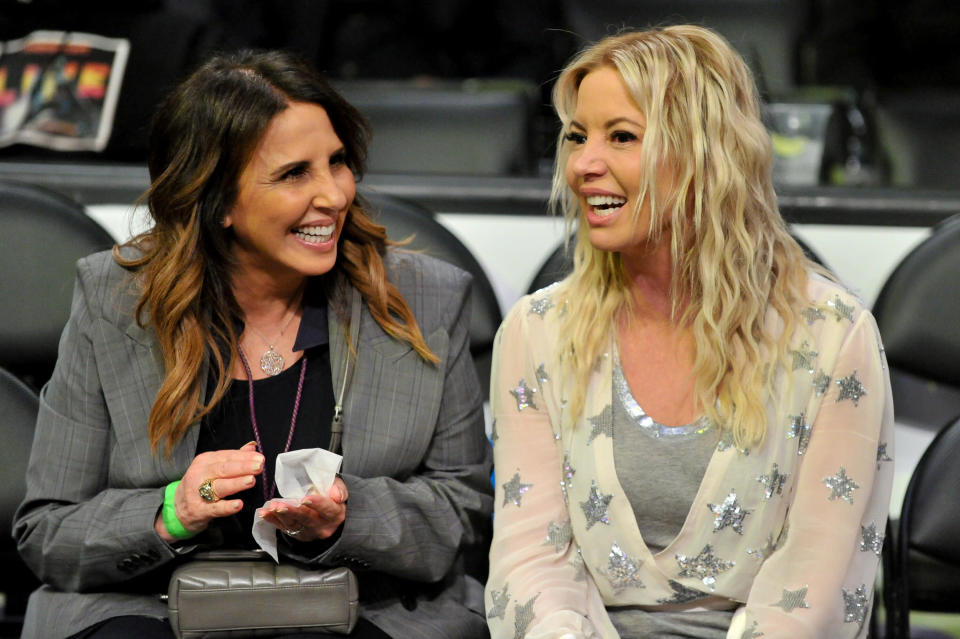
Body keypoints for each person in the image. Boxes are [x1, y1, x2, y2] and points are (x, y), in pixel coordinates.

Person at [13, 49, 492, 639]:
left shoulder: (425, 297)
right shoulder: (116, 302)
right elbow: (50, 531)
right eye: (295, 174)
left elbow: (464, 513)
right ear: (217, 200)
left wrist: (349, 519)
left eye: (338, 163)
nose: (335, 196)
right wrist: (170, 513)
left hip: (362, 609)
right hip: (151, 608)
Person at [486, 25, 893, 639]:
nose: (583, 165)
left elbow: (812, 591)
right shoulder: (537, 331)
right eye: (576, 137)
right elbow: (532, 563)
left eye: (621, 137)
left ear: (708, 153)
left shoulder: (834, 336)